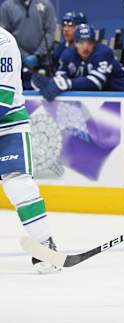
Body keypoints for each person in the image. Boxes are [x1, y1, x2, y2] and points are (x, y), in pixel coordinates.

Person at [0, 25, 60, 273]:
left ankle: (45, 246)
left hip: (8, 125)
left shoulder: (4, 42)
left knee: (18, 183)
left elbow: (3, 98)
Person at [31, 24, 124, 101]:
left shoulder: (103, 53)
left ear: (94, 43)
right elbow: (61, 78)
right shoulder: (67, 54)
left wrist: (67, 83)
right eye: (81, 42)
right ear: (75, 43)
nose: (85, 47)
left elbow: (95, 83)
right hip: (101, 98)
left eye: (89, 42)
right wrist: (52, 83)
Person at [0, 0, 57, 72]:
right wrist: (22, 55)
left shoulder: (46, 4)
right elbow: (5, 36)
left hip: (42, 62)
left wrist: (38, 55)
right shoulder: (6, 7)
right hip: (15, 62)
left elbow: (50, 32)